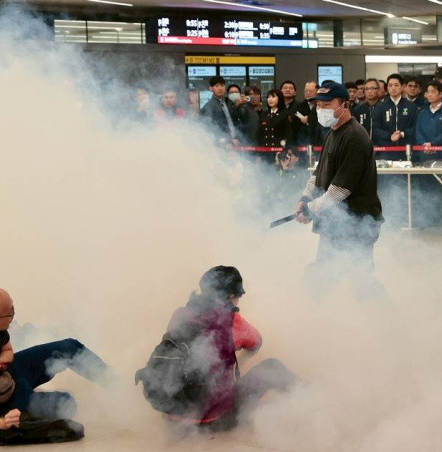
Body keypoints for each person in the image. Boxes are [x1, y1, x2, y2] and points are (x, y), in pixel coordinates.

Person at [0, 287, 112, 434]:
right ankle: (27, 399)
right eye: (10, 313)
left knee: (69, 347)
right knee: (66, 403)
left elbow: (7, 351)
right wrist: (0, 424)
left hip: (5, 372)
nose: (13, 317)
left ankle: (116, 383)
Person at [150, 266, 297, 431]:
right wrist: (240, 357)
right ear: (231, 296)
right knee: (273, 367)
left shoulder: (180, 314)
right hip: (213, 422)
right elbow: (256, 343)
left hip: (173, 419)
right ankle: (314, 403)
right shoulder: (232, 321)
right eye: (238, 297)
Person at [295, 81, 386, 302]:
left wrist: (311, 210)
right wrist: (305, 198)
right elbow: (319, 173)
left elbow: (340, 190)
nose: (321, 109)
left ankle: (387, 326)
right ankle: (316, 318)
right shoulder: (334, 132)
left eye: (327, 104)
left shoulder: (354, 137)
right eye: (318, 104)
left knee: (359, 280)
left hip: (356, 223)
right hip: (335, 223)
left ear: (345, 104)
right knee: (325, 276)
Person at [372, 74, 418, 159]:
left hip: (406, 149)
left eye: (396, 85)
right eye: (390, 85)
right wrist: (389, 136)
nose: (393, 88)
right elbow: (375, 129)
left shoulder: (411, 106)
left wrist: (402, 134)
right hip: (385, 150)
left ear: (402, 87)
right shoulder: (380, 106)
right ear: (387, 88)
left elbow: (415, 127)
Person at [200, 76, 245, 144]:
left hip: (237, 142)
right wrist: (224, 142)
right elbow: (208, 129)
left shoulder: (229, 102)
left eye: (222, 85)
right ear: (211, 89)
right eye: (217, 86)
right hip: (222, 144)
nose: (220, 88)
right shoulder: (208, 107)